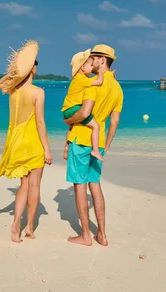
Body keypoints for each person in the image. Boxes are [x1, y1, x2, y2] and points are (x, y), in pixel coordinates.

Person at [0, 40, 53, 243]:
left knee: (23, 186)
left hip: (17, 142)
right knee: (35, 186)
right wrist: (47, 149)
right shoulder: (38, 92)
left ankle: (16, 221)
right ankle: (29, 228)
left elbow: (0, 83)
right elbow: (41, 123)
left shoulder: (13, 91)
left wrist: (15, 73)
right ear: (33, 69)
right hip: (33, 142)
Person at [63, 44, 123, 247]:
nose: (91, 61)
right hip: (99, 143)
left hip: (81, 138)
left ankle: (86, 235)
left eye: (94, 58)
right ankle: (103, 235)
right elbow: (114, 122)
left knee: (80, 186)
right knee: (95, 186)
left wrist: (68, 122)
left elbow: (81, 112)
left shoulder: (91, 83)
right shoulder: (117, 87)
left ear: (102, 60)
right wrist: (105, 145)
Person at [62, 49, 105, 162]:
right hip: (73, 108)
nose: (92, 68)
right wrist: (100, 72)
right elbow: (99, 82)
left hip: (68, 109)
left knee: (71, 127)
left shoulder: (77, 79)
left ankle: (66, 147)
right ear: (83, 68)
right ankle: (95, 150)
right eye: (91, 65)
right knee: (96, 126)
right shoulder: (82, 79)